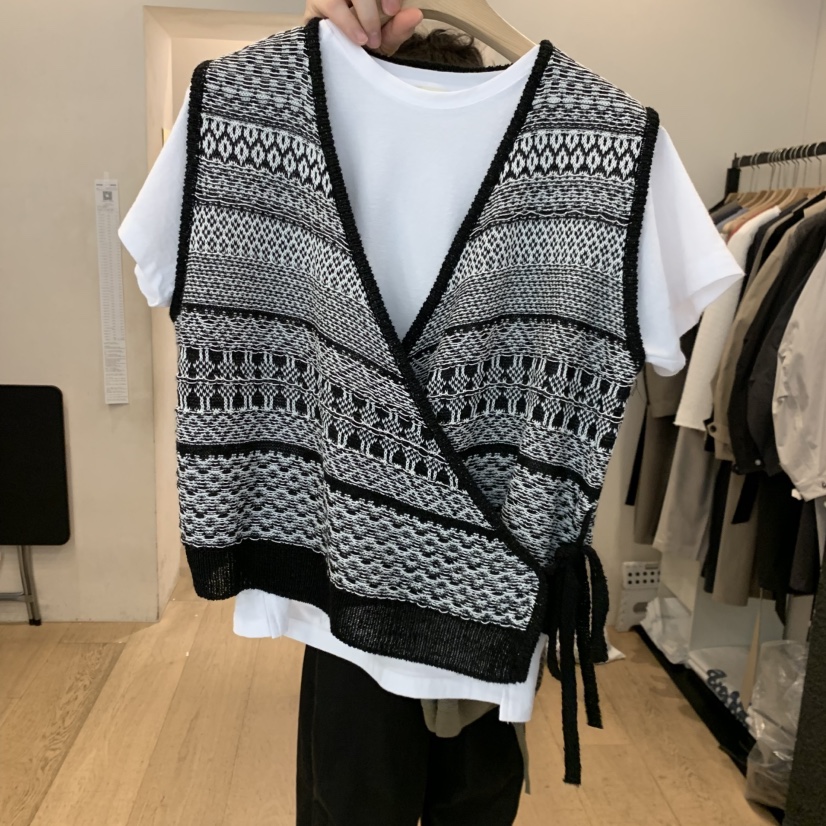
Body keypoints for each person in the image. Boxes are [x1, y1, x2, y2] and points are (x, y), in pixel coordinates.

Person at [294, 9, 531, 826]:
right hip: (367, 581)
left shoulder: (536, 230)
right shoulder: (324, 220)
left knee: (422, 788)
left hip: (479, 583)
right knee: (371, 788)